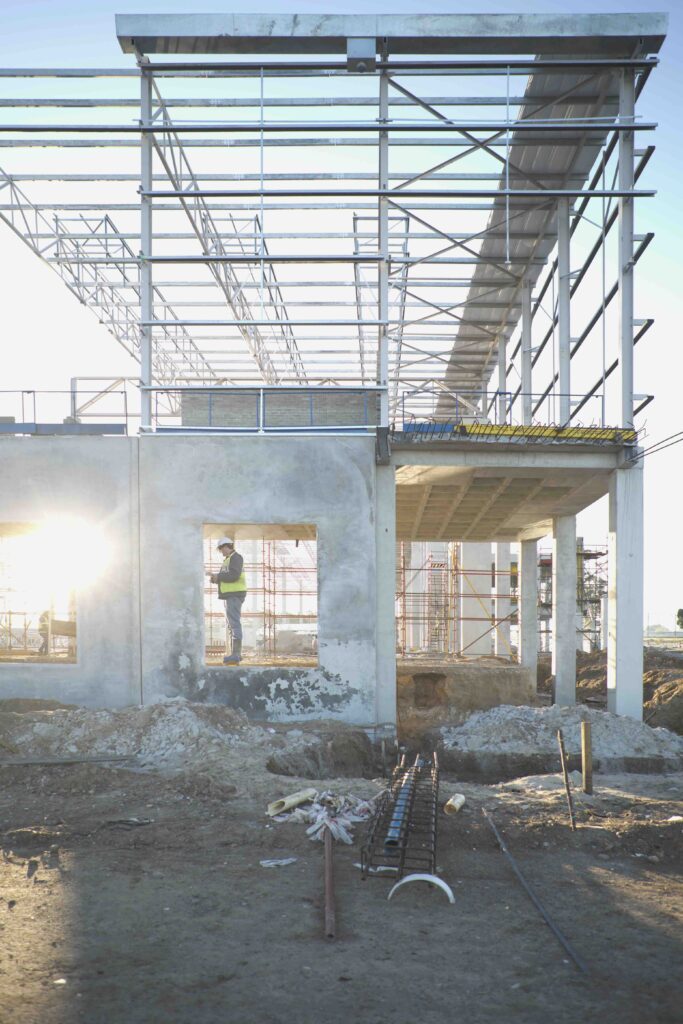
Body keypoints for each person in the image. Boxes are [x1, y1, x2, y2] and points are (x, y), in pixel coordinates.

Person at [209, 537, 247, 665]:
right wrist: (216, 579)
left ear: (227, 546)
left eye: (221, 549)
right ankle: (236, 654)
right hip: (231, 595)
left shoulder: (236, 558)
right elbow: (228, 576)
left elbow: (234, 575)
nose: (221, 552)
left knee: (235, 623)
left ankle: (236, 654)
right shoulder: (229, 559)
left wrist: (218, 577)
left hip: (235, 595)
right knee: (233, 623)